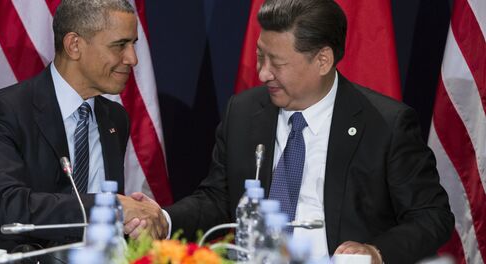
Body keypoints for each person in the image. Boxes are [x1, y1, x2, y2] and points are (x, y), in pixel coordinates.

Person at [128, 0, 454, 263]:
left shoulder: (386, 124)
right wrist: (164, 219)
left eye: (277, 62)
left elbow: (432, 216)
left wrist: (376, 252)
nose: (262, 72)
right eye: (259, 57)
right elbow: (218, 197)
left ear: (323, 60)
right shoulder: (243, 112)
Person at [0, 0, 162, 251]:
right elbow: (6, 207)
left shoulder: (115, 118)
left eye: (133, 44)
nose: (132, 58)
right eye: (120, 45)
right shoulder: (4, 111)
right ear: (74, 45)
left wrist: (137, 219)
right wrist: (108, 207)